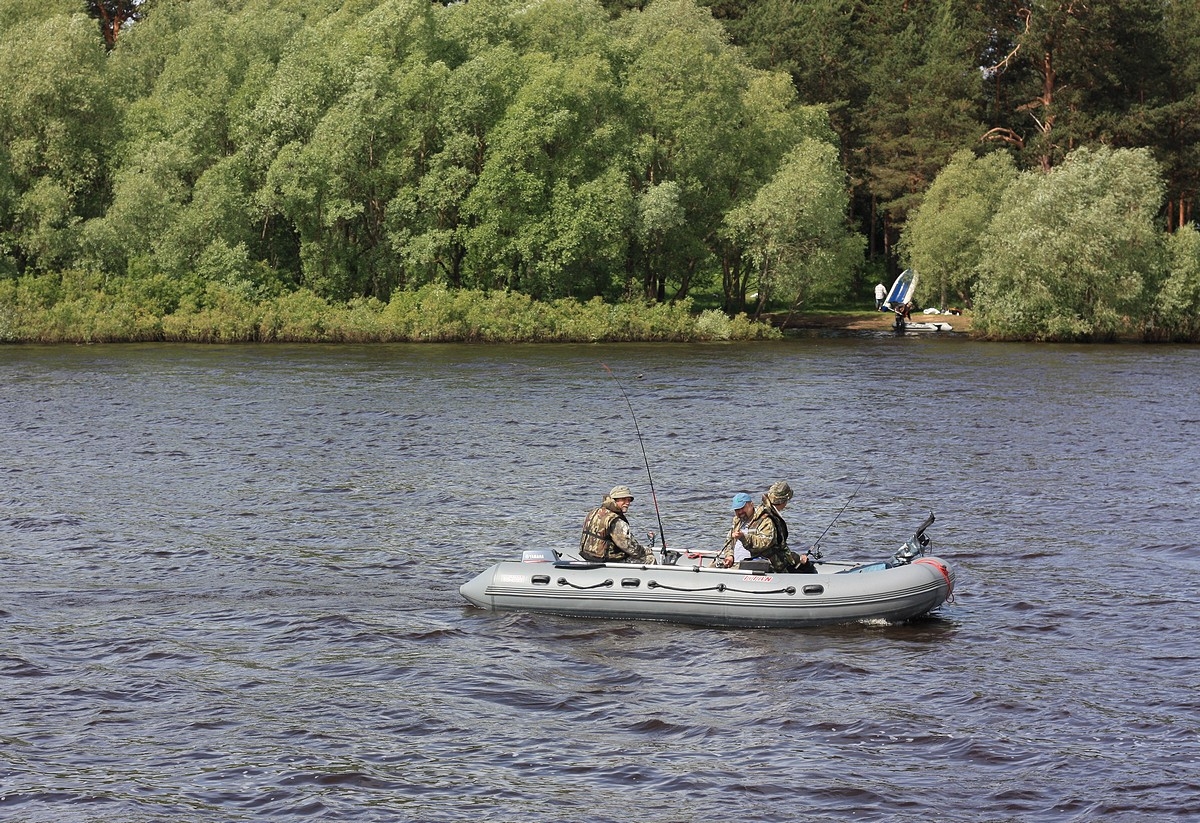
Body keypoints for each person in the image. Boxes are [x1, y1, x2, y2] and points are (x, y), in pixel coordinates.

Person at [734, 481, 817, 574]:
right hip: (772, 564)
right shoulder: (769, 518)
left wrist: (797, 559)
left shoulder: (768, 513)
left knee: (802, 563)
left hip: (771, 559)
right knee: (808, 569)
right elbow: (766, 544)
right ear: (784, 501)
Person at [579, 485, 656, 564]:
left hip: (588, 555)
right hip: (607, 559)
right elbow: (628, 546)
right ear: (614, 500)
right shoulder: (616, 521)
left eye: (629, 500)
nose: (627, 503)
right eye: (623, 499)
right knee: (650, 558)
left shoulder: (593, 513)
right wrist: (645, 551)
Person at [713, 492, 755, 568]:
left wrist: (743, 537)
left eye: (742, 508)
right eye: (737, 509)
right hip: (735, 563)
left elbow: (763, 544)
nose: (740, 512)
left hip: (752, 565)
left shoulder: (761, 521)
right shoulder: (737, 522)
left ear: (751, 505)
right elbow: (729, 542)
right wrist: (730, 556)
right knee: (712, 567)